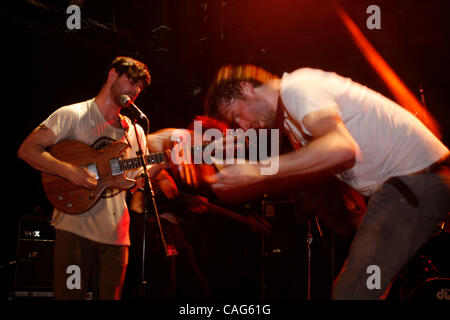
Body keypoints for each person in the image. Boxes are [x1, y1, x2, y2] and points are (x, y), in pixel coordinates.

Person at [204, 64, 450, 299]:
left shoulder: (297, 88)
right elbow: (339, 162)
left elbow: (341, 148)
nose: (245, 127)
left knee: (350, 293)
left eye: (238, 116)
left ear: (247, 88)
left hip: (415, 182)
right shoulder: (292, 118)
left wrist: (258, 172)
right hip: (407, 187)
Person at [17, 56, 153, 300]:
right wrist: (69, 171)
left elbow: (135, 181)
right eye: (131, 81)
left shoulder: (135, 131)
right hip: (74, 230)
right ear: (112, 75)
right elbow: (27, 150)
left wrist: (158, 170)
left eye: (140, 87)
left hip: (116, 238)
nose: (135, 90)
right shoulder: (71, 115)